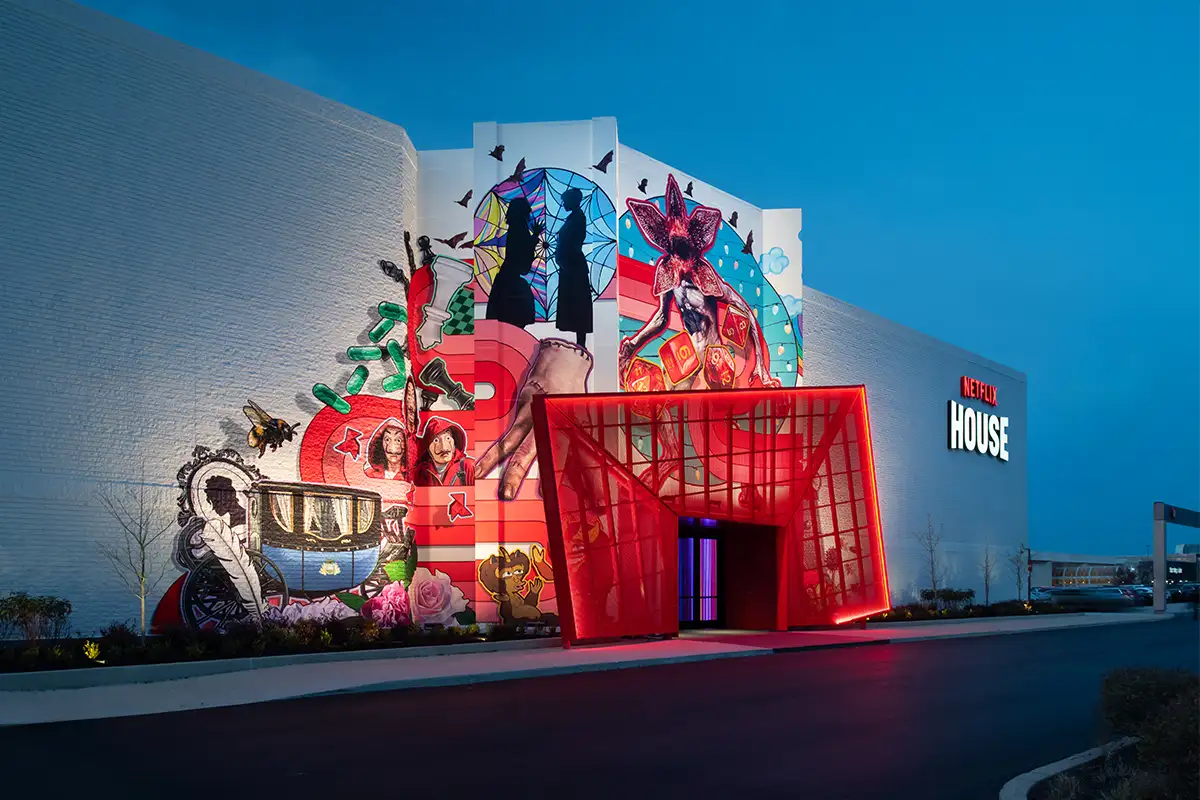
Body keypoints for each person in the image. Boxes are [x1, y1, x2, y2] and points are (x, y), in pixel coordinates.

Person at [485, 197, 541, 329]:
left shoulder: (515, 226)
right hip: (511, 278)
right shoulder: (520, 227)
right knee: (517, 315)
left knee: (510, 317)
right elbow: (522, 253)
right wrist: (534, 237)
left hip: (507, 276)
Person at [553, 187, 594, 348]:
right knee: (576, 306)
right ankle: (580, 344)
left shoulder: (577, 218)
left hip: (573, 266)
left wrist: (562, 258)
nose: (563, 204)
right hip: (570, 265)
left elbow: (570, 242)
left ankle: (581, 345)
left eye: (565, 201)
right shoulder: (574, 218)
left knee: (578, 306)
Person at [413, 416, 475, 487]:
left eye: (448, 438)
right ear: (427, 447)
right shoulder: (420, 472)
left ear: (454, 442)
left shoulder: (468, 466)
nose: (444, 448)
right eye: (436, 440)